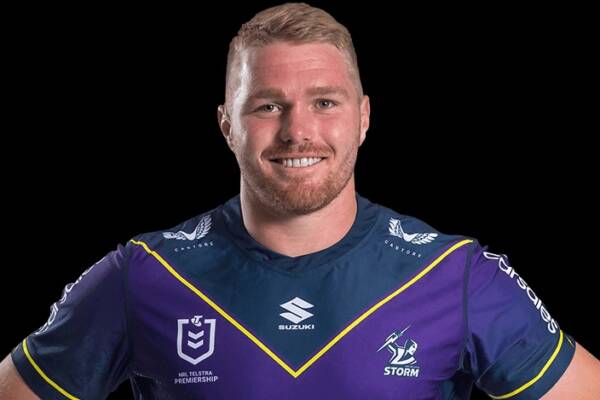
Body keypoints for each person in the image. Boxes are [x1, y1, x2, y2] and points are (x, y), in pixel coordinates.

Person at [1, 3, 599, 399]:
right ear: (227, 126)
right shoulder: (144, 275)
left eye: (325, 102)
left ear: (363, 118)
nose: (297, 131)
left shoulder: (456, 274)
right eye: (268, 106)